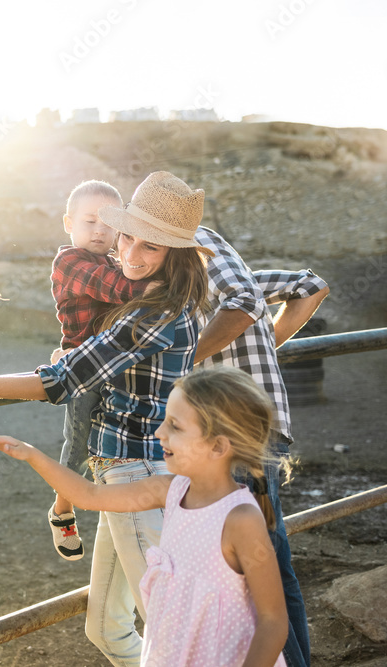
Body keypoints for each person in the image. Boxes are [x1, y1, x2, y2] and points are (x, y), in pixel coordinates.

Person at [0, 171, 213, 666]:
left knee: (174, 637)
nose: (132, 255)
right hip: (127, 472)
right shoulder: (170, 299)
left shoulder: (153, 314)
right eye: (127, 238)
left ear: (173, 255)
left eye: (150, 248)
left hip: (136, 471)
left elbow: (57, 382)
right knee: (106, 630)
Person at [0, 366, 289, 667]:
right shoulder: (170, 490)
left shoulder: (241, 519)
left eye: (175, 426)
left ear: (218, 446)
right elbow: (90, 495)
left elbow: (273, 621)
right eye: (164, 420)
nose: (159, 433)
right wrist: (32, 454)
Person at [193, 225, 329, 667]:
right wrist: (267, 341)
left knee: (254, 567)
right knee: (270, 558)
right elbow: (312, 286)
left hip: (240, 429)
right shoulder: (233, 274)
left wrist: (188, 356)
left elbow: (245, 302)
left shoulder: (197, 241)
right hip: (247, 427)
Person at [47, 180, 158, 561]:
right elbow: (117, 289)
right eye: (90, 221)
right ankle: (62, 509)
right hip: (83, 369)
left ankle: (122, 506)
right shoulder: (70, 261)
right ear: (68, 222)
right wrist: (169, 283)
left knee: (114, 446)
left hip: (118, 368)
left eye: (109, 224)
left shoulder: (117, 260)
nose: (99, 231)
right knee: (78, 442)